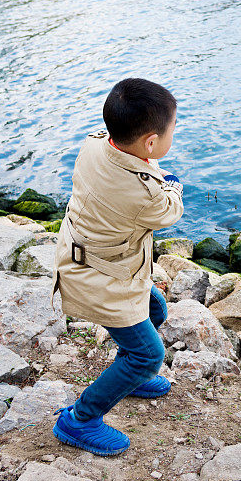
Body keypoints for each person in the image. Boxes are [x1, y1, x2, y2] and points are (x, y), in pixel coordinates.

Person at [49, 77, 183, 456]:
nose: (176, 134)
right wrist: (171, 181)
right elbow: (170, 206)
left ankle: (131, 377)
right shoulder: (145, 195)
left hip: (92, 257)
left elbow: (133, 161)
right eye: (173, 128)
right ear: (151, 143)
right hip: (100, 275)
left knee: (154, 306)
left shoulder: (94, 144)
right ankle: (79, 419)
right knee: (148, 354)